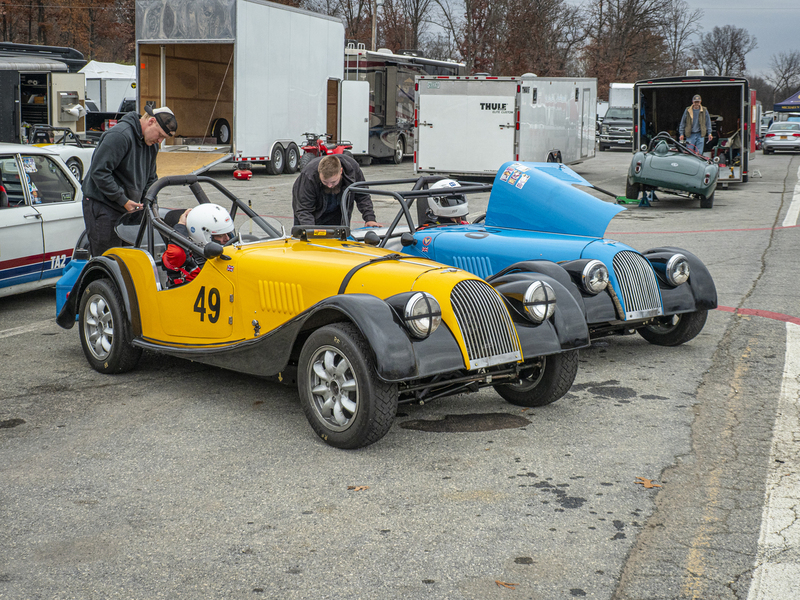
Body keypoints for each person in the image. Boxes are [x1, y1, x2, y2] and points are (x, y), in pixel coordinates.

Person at [82, 105, 178, 256]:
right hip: (104, 205)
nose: (159, 140)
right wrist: (122, 200)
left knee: (128, 258)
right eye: (160, 135)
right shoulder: (120, 136)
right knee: (109, 258)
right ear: (151, 121)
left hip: (128, 208)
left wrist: (150, 203)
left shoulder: (151, 145)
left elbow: (151, 178)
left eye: (163, 138)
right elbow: (99, 172)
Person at [292, 154, 379, 227]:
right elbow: (304, 210)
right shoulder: (308, 176)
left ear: (341, 171)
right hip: (311, 215)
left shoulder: (352, 170)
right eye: (325, 182)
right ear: (319, 173)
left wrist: (370, 219)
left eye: (333, 182)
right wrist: (311, 232)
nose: (329, 185)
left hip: (337, 213)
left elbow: (363, 196)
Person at [162, 204, 234, 287]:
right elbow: (176, 253)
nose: (227, 238)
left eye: (227, 233)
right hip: (189, 293)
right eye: (220, 235)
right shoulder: (182, 257)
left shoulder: (226, 245)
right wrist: (181, 225)